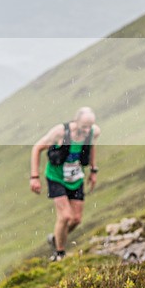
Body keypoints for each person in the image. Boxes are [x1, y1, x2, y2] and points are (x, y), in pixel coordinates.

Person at [30, 107, 101, 262]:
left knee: (76, 219)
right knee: (65, 216)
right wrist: (34, 177)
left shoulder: (93, 133)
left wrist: (94, 170)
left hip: (76, 179)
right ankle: (59, 253)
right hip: (56, 178)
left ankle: (56, 239)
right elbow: (37, 148)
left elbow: (91, 147)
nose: (86, 130)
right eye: (84, 127)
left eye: (89, 127)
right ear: (76, 122)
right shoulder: (60, 132)